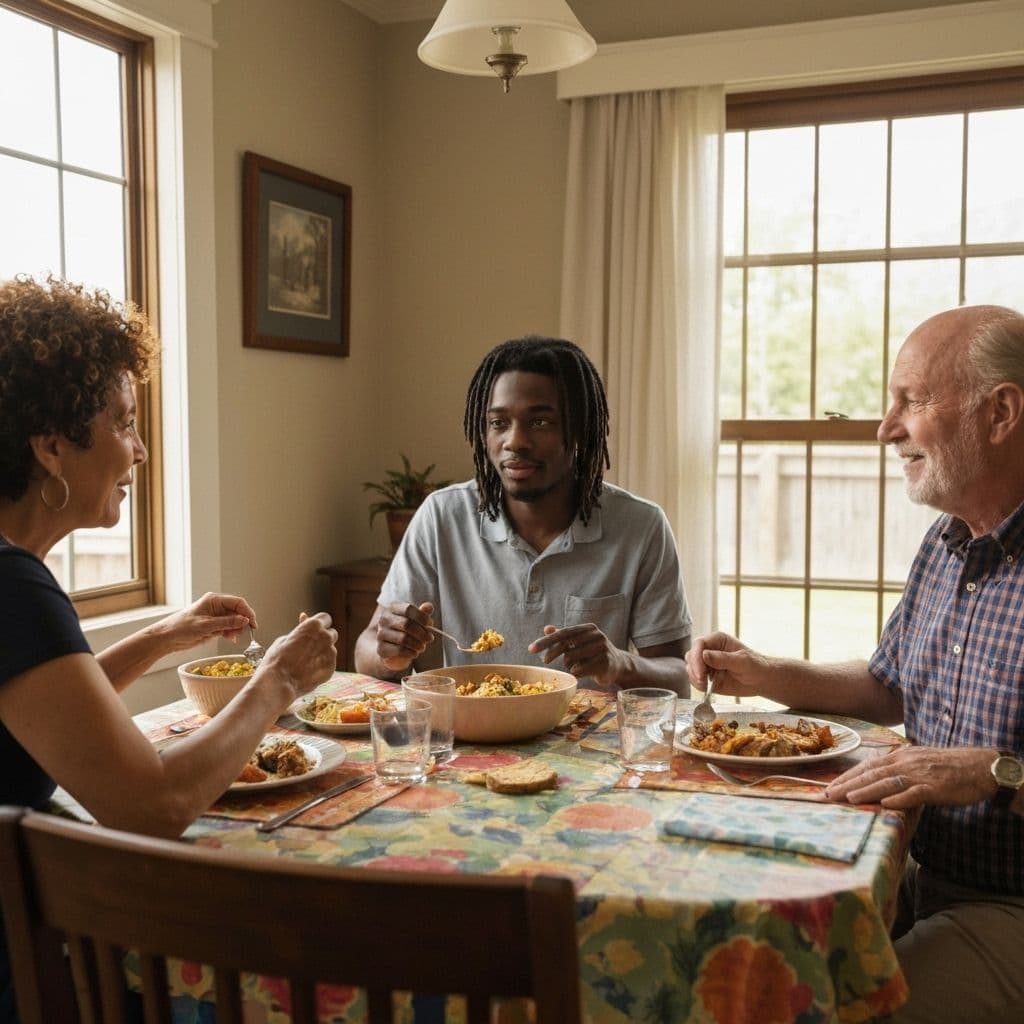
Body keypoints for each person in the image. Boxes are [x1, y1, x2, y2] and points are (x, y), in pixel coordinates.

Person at [0, 277, 337, 1022]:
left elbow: (40, 709)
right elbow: (151, 808)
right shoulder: (13, 588)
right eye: (124, 423)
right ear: (50, 447)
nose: (141, 449)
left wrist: (163, 635)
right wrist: (278, 679)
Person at [686, 304, 1024, 1023]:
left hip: (1010, 906)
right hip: (916, 872)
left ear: (1001, 412)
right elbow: (886, 687)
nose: (885, 428)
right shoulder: (947, 543)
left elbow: (983, 769)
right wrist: (764, 672)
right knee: (738, 968)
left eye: (911, 401)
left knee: (827, 1012)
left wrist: (995, 773)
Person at [355, 334, 691, 692]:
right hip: (471, 725)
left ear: (579, 429)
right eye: (499, 423)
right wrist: (389, 653)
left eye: (540, 422)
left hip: (586, 729)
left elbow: (678, 675)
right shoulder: (442, 517)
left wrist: (621, 663)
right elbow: (366, 650)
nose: (515, 441)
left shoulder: (641, 526)